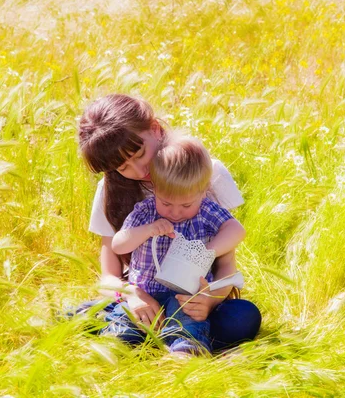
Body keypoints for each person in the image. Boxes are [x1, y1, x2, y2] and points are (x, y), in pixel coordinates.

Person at [76, 94, 261, 352]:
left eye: (139, 153)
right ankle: (144, 330)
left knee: (242, 318)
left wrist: (210, 300)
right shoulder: (110, 190)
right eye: (122, 167)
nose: (139, 171)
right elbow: (109, 274)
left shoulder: (205, 172)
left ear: (154, 128)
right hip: (142, 295)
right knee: (119, 325)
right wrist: (131, 296)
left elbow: (227, 263)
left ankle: (177, 336)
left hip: (193, 296)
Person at [107, 134, 246, 354]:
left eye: (186, 204)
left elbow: (237, 230)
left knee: (188, 323)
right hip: (144, 295)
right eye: (166, 203)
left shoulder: (206, 211)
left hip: (185, 294)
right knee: (122, 328)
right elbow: (118, 245)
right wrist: (147, 230)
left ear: (203, 191)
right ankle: (119, 344)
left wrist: (206, 252)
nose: (175, 212)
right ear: (155, 188)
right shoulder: (146, 212)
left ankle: (183, 352)